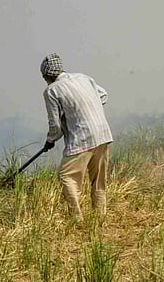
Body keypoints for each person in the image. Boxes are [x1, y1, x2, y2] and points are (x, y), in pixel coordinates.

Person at [39, 53, 113, 221]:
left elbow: (55, 126)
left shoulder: (51, 91)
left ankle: (76, 218)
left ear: (48, 76)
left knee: (67, 176)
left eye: (44, 77)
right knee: (98, 180)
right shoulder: (83, 77)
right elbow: (103, 95)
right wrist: (86, 107)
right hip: (102, 134)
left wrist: (50, 140)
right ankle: (99, 218)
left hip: (82, 139)